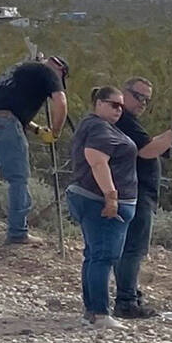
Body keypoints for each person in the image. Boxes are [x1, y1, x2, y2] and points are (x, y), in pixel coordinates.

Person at [112, 76, 172, 318]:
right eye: (138, 97)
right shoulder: (124, 121)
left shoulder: (126, 121)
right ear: (123, 93)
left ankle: (129, 294)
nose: (142, 103)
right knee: (133, 249)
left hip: (135, 192)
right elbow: (147, 149)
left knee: (129, 248)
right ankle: (126, 301)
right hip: (136, 193)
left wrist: (165, 144)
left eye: (146, 100)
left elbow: (147, 145)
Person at [0, 54, 69, 245]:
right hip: (5, 122)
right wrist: (55, 132)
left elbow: (9, 107)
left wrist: (37, 130)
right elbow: (61, 103)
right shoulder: (49, 72)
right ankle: (17, 232)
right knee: (18, 178)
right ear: (60, 70)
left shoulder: (21, 68)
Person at [67, 86, 141, 329]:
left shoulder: (95, 125)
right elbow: (97, 160)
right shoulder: (99, 127)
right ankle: (99, 313)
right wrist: (111, 196)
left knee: (93, 255)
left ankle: (91, 311)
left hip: (89, 197)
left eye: (121, 106)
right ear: (98, 103)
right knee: (103, 256)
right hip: (98, 200)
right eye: (113, 104)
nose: (119, 110)